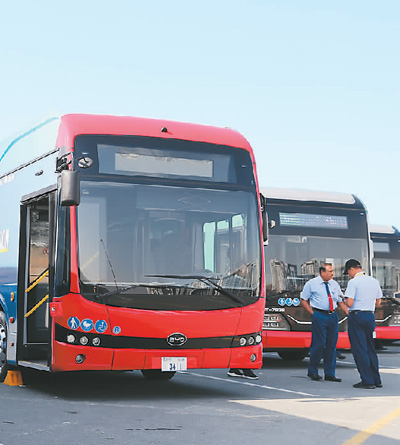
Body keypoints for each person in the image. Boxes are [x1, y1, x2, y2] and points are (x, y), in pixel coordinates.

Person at [300, 263, 347, 382]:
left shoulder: (334, 284)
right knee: (319, 344)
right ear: (322, 272)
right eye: (330, 271)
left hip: (332, 315)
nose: (332, 274)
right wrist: (313, 314)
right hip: (319, 314)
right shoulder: (312, 284)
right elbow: (303, 300)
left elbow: (340, 301)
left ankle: (330, 373)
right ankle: (313, 371)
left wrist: (348, 312)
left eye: (332, 271)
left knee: (332, 345)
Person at [342, 259, 383, 389]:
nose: (349, 275)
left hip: (357, 316)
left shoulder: (353, 282)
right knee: (370, 347)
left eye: (348, 272)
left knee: (359, 349)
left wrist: (343, 299)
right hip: (370, 316)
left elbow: (349, 303)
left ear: (351, 269)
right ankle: (376, 379)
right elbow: (378, 302)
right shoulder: (374, 281)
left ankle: (367, 380)